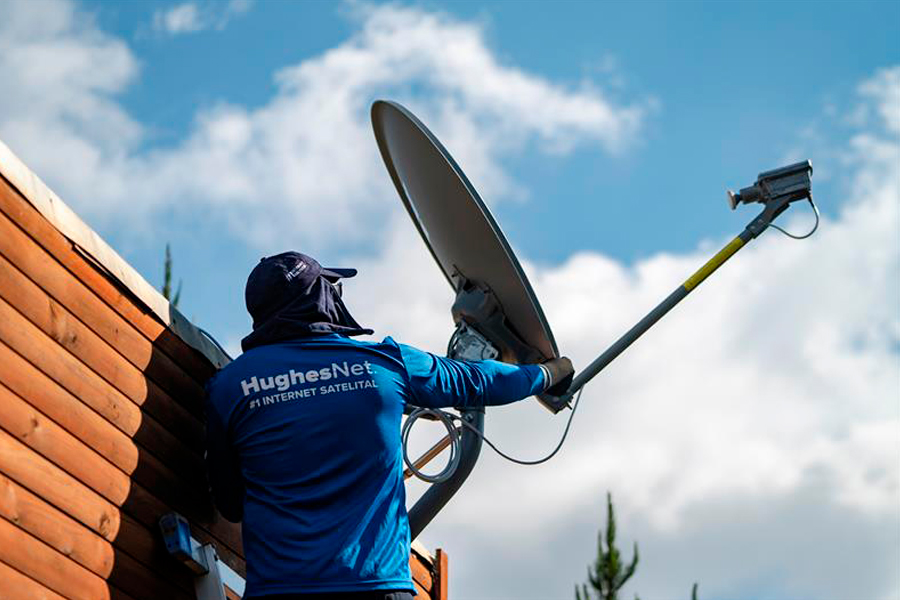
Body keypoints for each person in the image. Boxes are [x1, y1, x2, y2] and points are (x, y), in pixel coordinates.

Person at [205, 251, 573, 600]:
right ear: (319, 298)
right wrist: (547, 373)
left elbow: (230, 503)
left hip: (281, 591)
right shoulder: (385, 364)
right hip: (375, 587)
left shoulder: (229, 387)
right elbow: (482, 381)